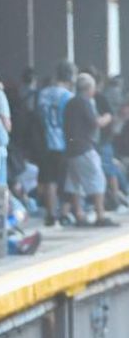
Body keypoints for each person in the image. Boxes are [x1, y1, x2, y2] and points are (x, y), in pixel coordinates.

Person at [63, 73, 118, 227]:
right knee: (98, 180)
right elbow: (95, 123)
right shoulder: (84, 102)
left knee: (74, 182)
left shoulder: (70, 102)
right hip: (84, 148)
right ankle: (100, 215)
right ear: (88, 88)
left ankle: (79, 214)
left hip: (71, 149)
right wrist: (108, 117)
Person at [37, 61, 77, 226]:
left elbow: (38, 117)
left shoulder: (43, 94)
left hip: (46, 141)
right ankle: (65, 213)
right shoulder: (68, 96)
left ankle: (51, 214)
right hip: (63, 142)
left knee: (49, 180)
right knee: (65, 180)